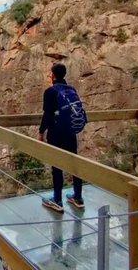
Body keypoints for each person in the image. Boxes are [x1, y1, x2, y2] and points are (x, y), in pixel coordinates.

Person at [39, 63, 84, 213]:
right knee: (74, 163)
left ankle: (57, 200)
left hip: (56, 133)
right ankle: (78, 197)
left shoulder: (50, 92)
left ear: (53, 74)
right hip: (71, 132)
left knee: (57, 166)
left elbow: (47, 114)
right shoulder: (71, 89)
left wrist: (41, 132)